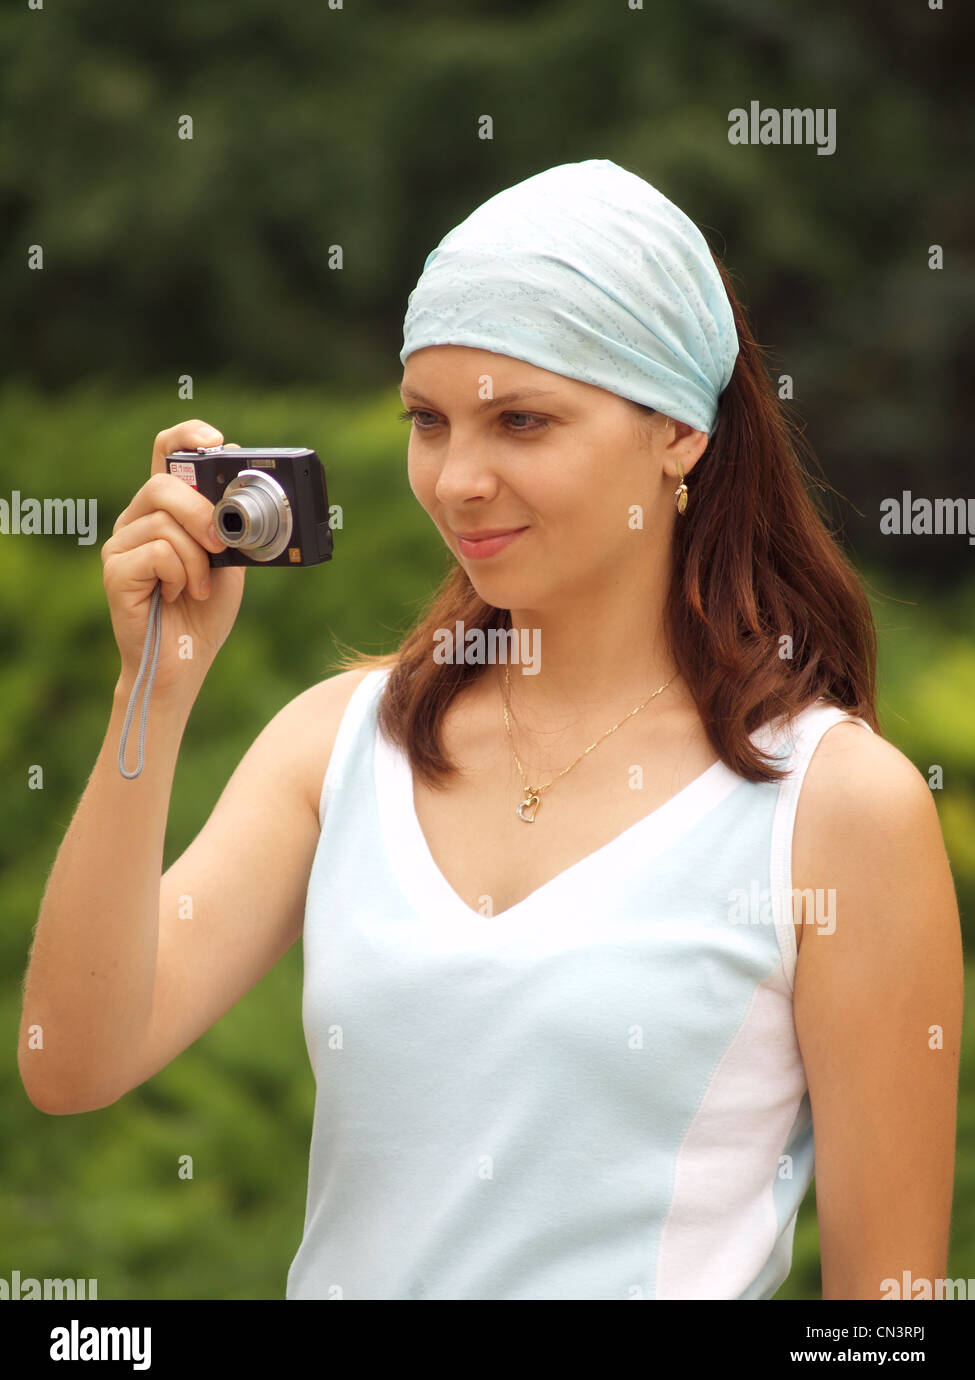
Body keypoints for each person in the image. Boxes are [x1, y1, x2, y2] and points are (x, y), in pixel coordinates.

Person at [19, 159, 961, 1301]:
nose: (460, 479)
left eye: (522, 420)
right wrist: (151, 694)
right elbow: (69, 1061)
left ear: (679, 433)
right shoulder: (341, 745)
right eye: (429, 420)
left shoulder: (832, 808)